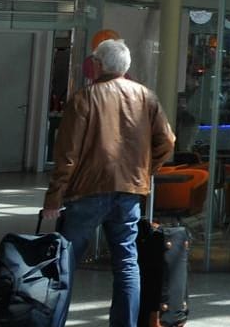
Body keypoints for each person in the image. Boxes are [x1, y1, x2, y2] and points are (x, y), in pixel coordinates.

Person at [42, 39, 176, 327]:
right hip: (129, 192)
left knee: (64, 263)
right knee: (127, 263)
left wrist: (54, 198)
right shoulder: (146, 97)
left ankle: (54, 321)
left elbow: (67, 154)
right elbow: (168, 141)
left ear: (99, 65)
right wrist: (145, 169)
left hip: (87, 191)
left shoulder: (84, 98)